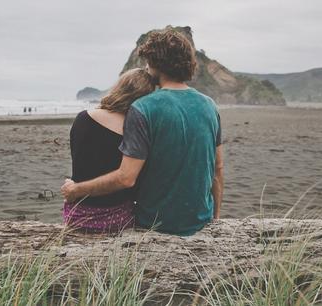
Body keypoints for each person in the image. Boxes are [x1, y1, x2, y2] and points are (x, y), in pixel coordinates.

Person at [61, 29, 224, 236]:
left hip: (154, 223)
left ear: (157, 63)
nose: (146, 67)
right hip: (201, 219)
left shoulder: (143, 108)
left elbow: (126, 178)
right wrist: (215, 218)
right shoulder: (210, 105)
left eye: (148, 62)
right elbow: (218, 170)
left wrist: (76, 190)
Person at [62, 68, 155, 233]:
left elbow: (79, 164)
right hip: (116, 219)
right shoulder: (135, 130)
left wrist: (75, 187)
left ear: (119, 87)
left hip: (76, 215)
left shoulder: (82, 117)